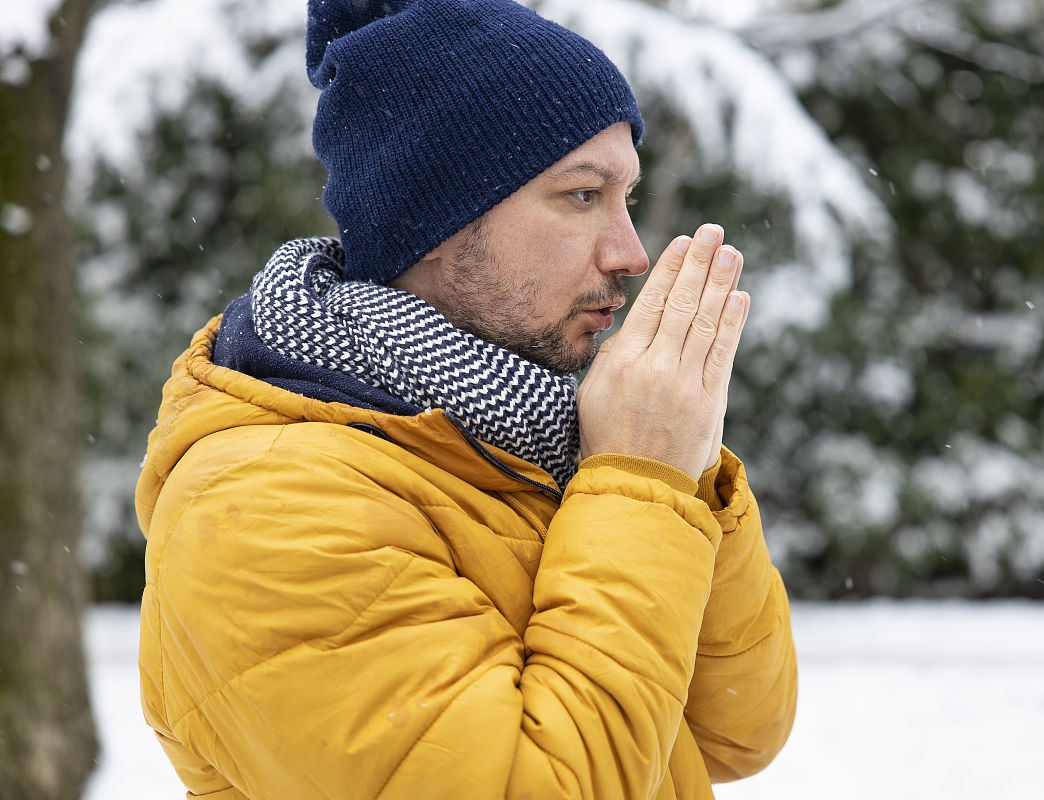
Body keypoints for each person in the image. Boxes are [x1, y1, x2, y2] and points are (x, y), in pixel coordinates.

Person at [134, 0, 797, 797]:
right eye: (583, 195)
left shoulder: (532, 439)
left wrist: (676, 465)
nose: (631, 252)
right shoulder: (263, 508)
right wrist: (641, 485)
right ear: (438, 223)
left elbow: (735, 730)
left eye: (627, 196)